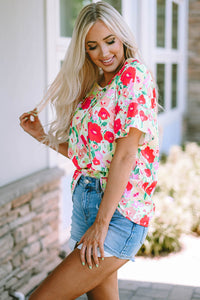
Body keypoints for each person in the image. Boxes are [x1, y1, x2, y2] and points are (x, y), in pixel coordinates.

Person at [19, 2, 159, 299]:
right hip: (87, 201)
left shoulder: (133, 75)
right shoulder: (97, 85)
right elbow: (88, 156)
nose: (104, 53)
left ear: (122, 37)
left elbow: (124, 156)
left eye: (110, 41)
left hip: (118, 212)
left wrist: (101, 225)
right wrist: (42, 137)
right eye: (93, 46)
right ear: (84, 50)